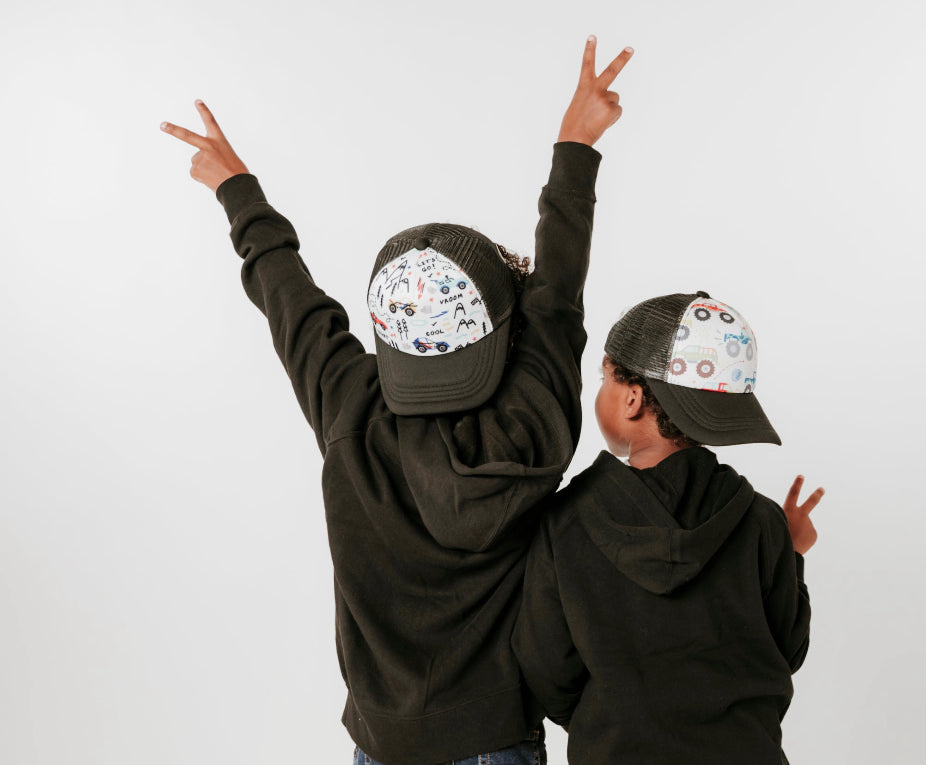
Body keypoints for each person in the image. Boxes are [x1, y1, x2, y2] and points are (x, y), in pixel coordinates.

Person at [161, 36, 633, 765]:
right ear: (500, 340)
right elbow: (557, 301)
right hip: (496, 739)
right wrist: (575, 147)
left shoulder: (347, 405)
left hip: (378, 745)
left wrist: (239, 192)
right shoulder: (530, 430)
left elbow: (293, 304)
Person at [512, 291, 824, 764]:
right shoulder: (761, 522)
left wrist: (610, 719)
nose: (601, 389)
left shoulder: (565, 522)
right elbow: (786, 650)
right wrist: (792, 550)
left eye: (605, 378)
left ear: (633, 399)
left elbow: (546, 667)